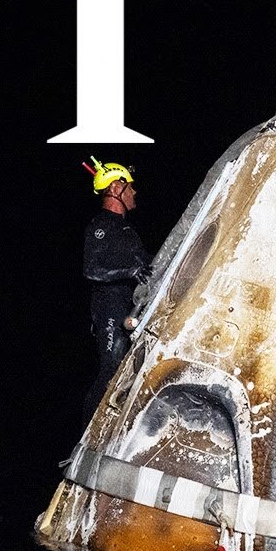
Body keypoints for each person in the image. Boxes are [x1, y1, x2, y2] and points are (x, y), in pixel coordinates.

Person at [82, 157, 153, 424]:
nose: (134, 192)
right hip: (109, 308)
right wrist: (130, 272)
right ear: (115, 189)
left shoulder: (127, 230)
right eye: (129, 186)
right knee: (111, 366)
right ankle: (86, 435)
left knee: (129, 368)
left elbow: (148, 264)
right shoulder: (101, 225)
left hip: (129, 308)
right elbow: (91, 269)